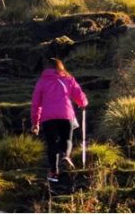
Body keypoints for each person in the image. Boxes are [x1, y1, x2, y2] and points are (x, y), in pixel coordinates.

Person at [30, 56, 88, 184]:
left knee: (52, 144)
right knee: (67, 139)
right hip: (66, 115)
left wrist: (35, 122)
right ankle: (66, 156)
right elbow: (78, 94)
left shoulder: (42, 81)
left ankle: (53, 172)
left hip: (48, 118)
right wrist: (83, 103)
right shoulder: (68, 79)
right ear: (60, 66)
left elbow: (36, 103)